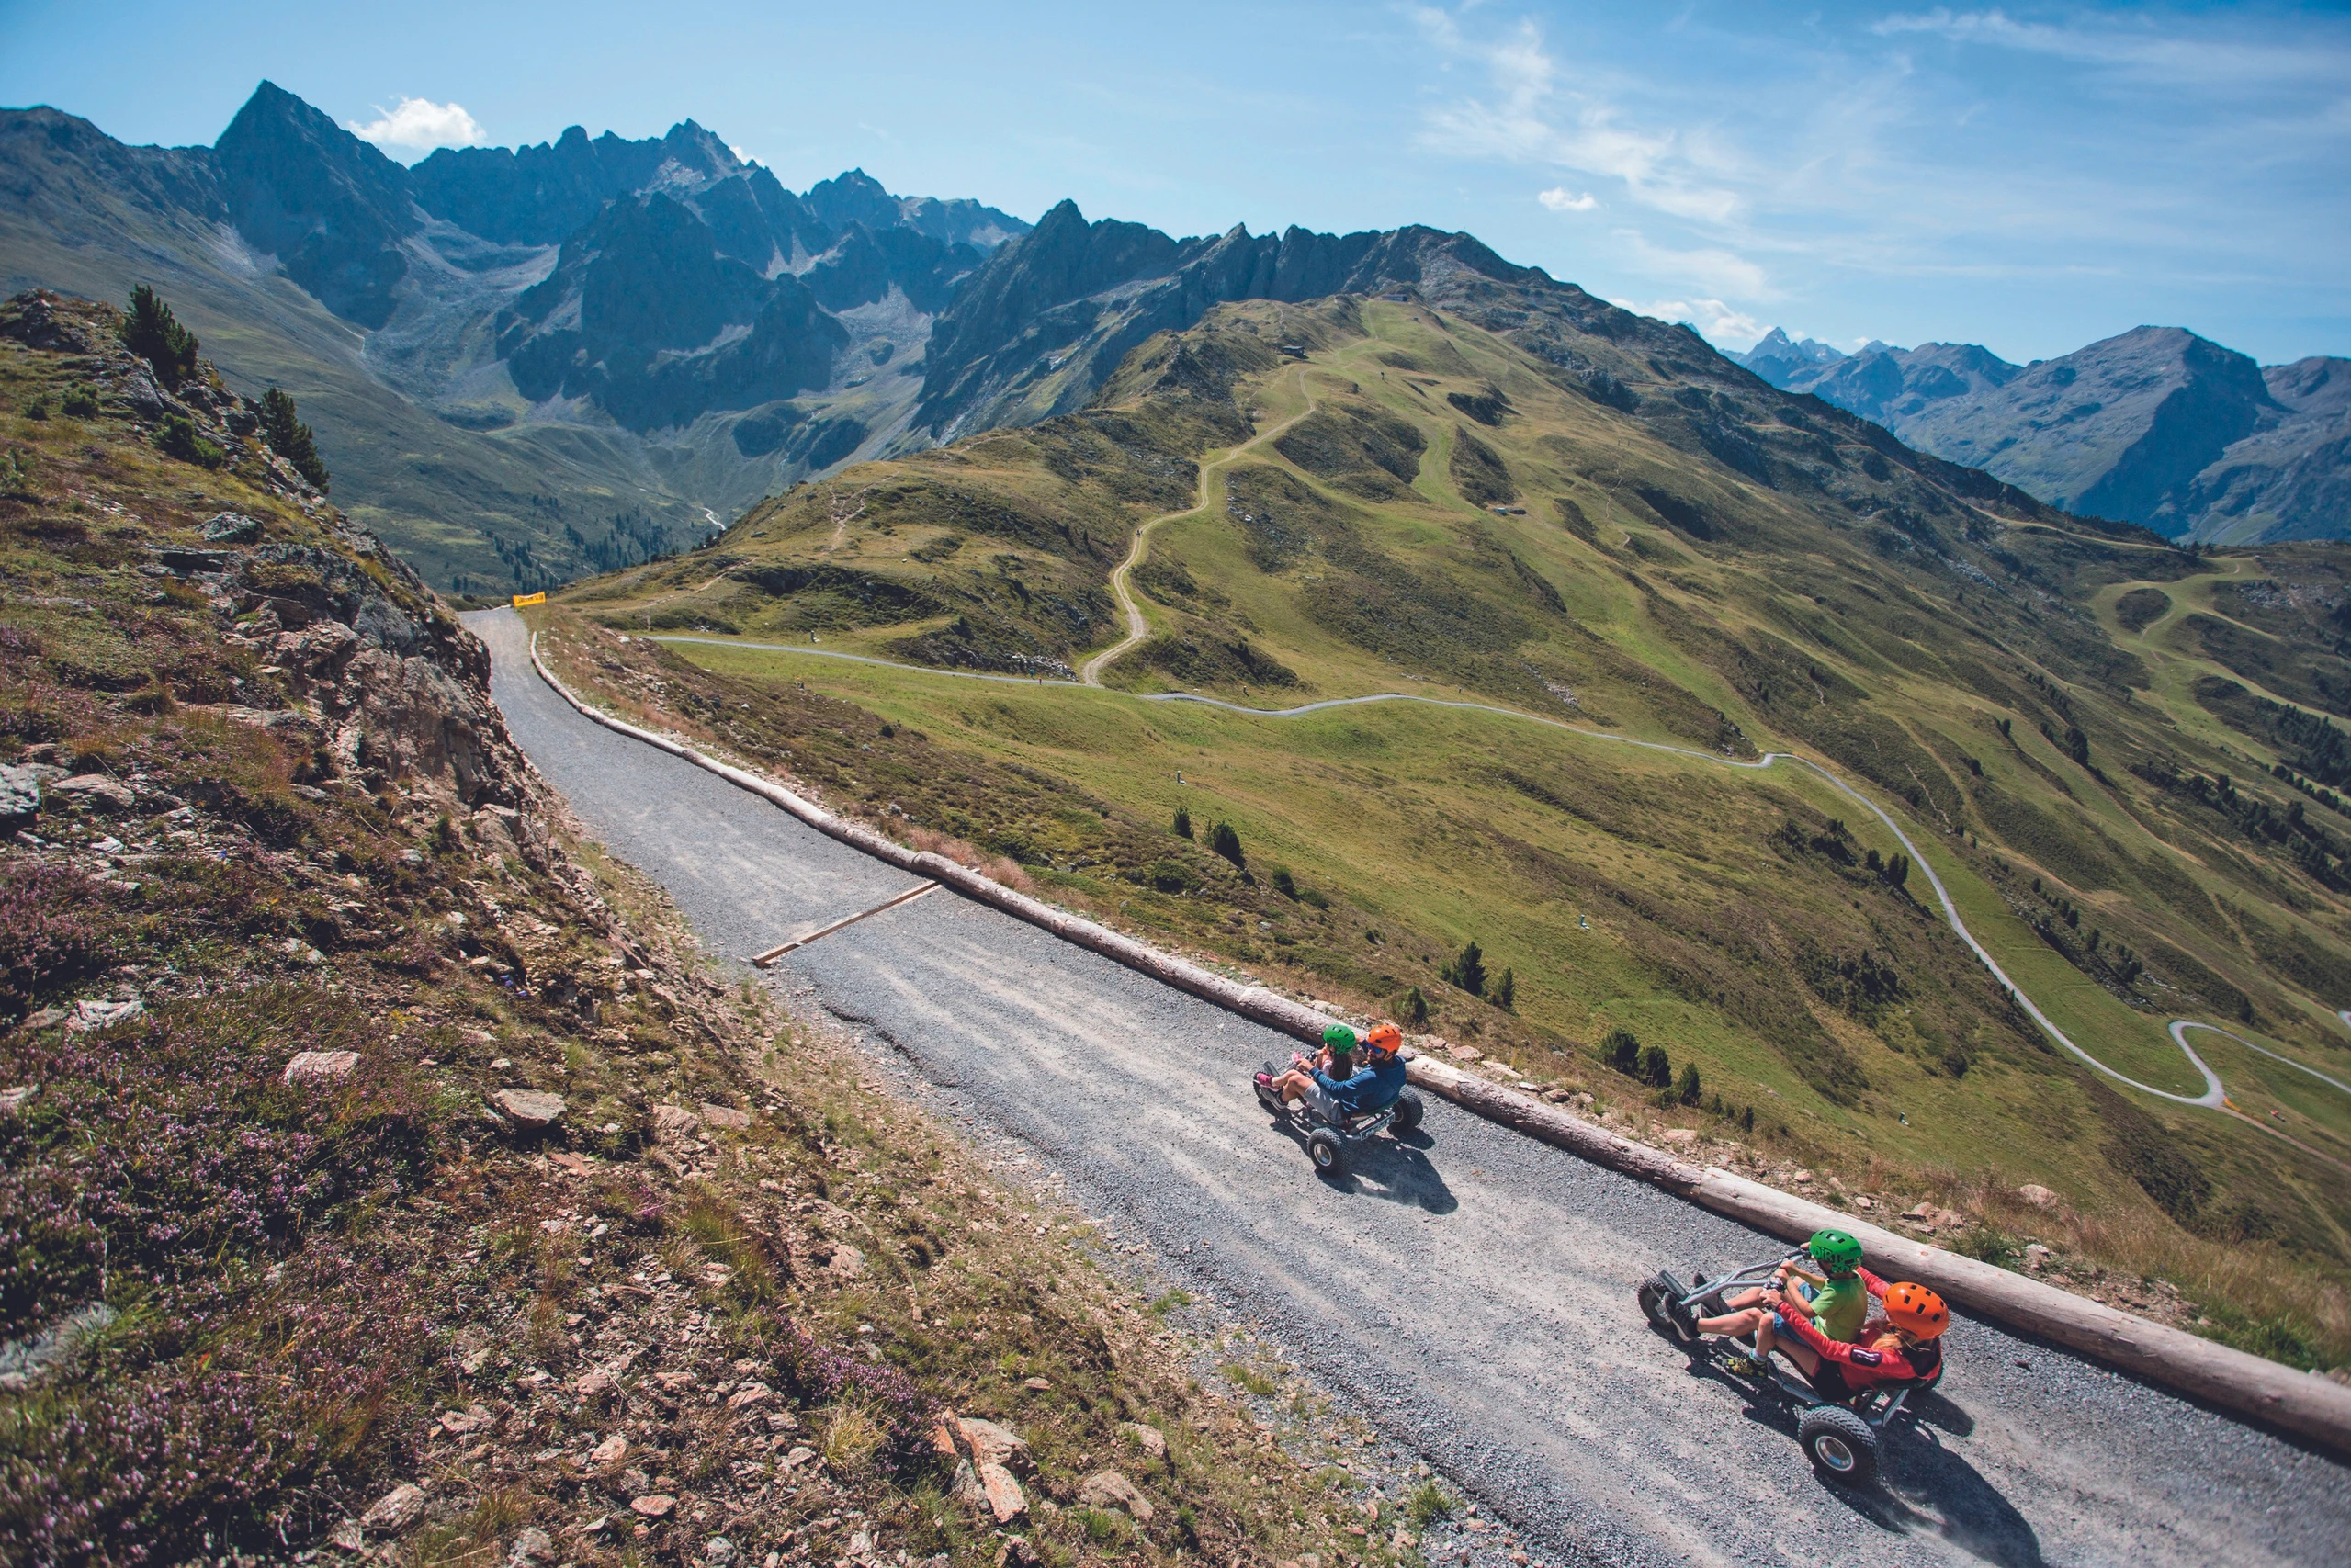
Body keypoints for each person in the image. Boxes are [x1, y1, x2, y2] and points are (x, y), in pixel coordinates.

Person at [1770, 1281, 1949, 1399]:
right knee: (1807, 1292)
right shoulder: (1927, 1335)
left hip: (1838, 1379)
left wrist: (1782, 1308)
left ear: (1904, 1328)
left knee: (1770, 1329)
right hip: (1858, 1359)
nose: (1885, 1314)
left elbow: (1830, 1350)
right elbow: (1873, 1284)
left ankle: (1756, 1361)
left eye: (1890, 1315)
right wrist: (1841, 1258)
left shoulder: (1891, 1360)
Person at [1693, 1229, 1870, 1345]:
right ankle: (1719, 1311)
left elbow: (1807, 1311)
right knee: (1770, 1289)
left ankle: (1695, 1326)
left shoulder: (1840, 1293)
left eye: (1821, 1259)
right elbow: (1825, 1285)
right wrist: (1798, 1272)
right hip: (1828, 1326)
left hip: (1821, 1339)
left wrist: (1787, 1281)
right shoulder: (1852, 1278)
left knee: (1757, 1315)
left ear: (1830, 1265)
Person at [1258, 1025, 1383, 1123]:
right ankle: (1277, 1086)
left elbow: (1315, 1079)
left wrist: (1312, 1065)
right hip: (1338, 1092)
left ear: (1333, 1048)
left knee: (1293, 1076)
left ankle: (1276, 1091)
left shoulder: (1327, 1063)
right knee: (1296, 1076)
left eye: (1327, 1044)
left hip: (1326, 1095)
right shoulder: (1347, 1061)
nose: (1325, 1045)